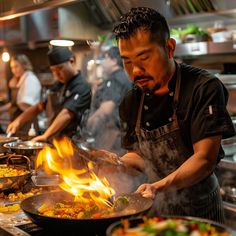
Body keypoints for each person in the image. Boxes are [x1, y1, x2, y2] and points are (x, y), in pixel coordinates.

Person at [112, 7, 235, 223]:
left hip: (200, 210)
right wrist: (117, 164)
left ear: (169, 48)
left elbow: (204, 159)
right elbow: (141, 157)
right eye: (127, 61)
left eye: (144, 57)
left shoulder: (203, 88)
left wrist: (158, 186)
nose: (136, 70)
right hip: (154, 210)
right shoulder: (131, 100)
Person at [7, 47, 91, 142]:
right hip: (56, 141)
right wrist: (18, 121)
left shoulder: (82, 86)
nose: (57, 74)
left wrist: (45, 136)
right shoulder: (58, 85)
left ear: (72, 61)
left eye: (60, 68)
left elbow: (67, 114)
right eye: (53, 70)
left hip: (74, 143)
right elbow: (39, 106)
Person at [86, 46, 132, 155]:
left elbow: (106, 109)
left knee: (109, 168)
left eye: (106, 58)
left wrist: (90, 121)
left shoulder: (116, 79)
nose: (103, 63)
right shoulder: (121, 77)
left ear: (114, 61)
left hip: (113, 138)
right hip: (116, 136)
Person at [0, 54, 41, 136]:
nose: (14, 70)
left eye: (16, 66)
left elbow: (28, 106)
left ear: (24, 65)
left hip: (28, 123)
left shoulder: (30, 79)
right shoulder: (19, 80)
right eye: (12, 67)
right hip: (18, 121)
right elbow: (14, 103)